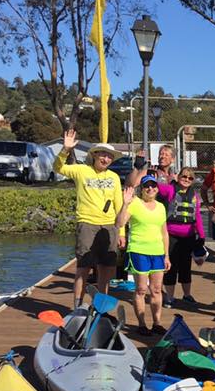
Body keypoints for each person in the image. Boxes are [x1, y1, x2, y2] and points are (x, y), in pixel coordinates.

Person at [53, 129, 124, 307]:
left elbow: (120, 205)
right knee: (83, 267)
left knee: (106, 269)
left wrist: (121, 231)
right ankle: (78, 306)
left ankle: (101, 307)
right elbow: (58, 168)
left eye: (110, 157)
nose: (106, 159)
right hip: (87, 224)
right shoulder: (81, 171)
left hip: (109, 227)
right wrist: (65, 149)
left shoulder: (114, 177)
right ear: (95, 155)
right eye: (103, 155)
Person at [116, 176, 169, 336]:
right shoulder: (134, 203)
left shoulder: (161, 207)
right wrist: (125, 203)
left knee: (157, 289)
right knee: (140, 289)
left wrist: (166, 255)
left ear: (157, 189)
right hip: (139, 250)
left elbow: (164, 232)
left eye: (153, 186)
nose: (150, 189)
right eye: (147, 186)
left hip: (157, 252)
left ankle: (157, 323)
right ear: (142, 189)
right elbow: (119, 223)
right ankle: (141, 324)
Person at [157, 167, 205, 307]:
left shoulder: (194, 195)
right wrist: (157, 176)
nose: (186, 180)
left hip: (188, 236)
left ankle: (187, 295)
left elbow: (197, 216)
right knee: (171, 267)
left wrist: (201, 235)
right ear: (178, 177)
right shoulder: (170, 189)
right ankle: (170, 297)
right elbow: (154, 186)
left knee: (186, 266)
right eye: (184, 177)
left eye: (190, 178)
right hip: (171, 235)